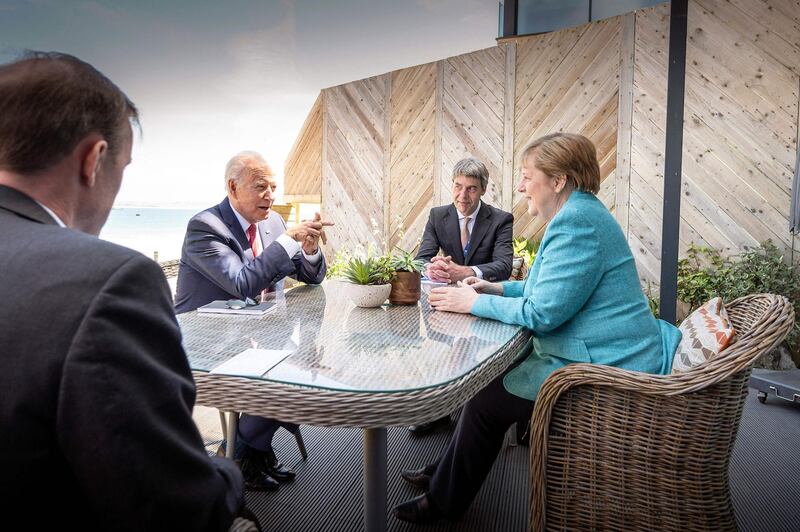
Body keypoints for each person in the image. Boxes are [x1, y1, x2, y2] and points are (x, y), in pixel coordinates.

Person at [0, 51, 250, 531]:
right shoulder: (107, 281)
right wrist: (227, 470)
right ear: (94, 160)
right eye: (124, 167)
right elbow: (175, 507)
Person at [393, 133, 682, 523]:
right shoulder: (580, 213)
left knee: (484, 400)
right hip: (609, 346)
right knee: (487, 383)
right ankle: (444, 474)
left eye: (528, 176)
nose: (522, 185)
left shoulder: (577, 223)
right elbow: (542, 287)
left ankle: (442, 503)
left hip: (607, 364)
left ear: (558, 180)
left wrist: (472, 302)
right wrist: (493, 286)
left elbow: (543, 313)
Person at [174, 151, 332, 491]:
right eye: (261, 187)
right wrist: (288, 241)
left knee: (306, 365)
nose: (271, 196)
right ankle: (244, 453)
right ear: (233, 187)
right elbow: (243, 283)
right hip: (207, 343)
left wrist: (308, 247)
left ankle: (248, 450)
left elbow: (312, 276)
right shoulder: (205, 227)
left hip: (259, 335)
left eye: (274, 187)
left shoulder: (272, 222)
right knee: (286, 373)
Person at [410, 157, 513, 435]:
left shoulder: (501, 220)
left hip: (482, 299)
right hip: (443, 302)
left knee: (474, 359)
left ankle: (470, 415)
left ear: (482, 190)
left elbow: (503, 265)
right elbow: (420, 260)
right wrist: (433, 267)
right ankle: (439, 411)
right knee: (440, 354)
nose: (462, 196)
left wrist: (464, 272)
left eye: (471, 189)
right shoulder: (437, 215)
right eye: (458, 186)